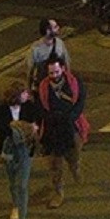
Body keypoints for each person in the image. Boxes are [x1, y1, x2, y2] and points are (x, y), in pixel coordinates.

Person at [36, 57, 85, 209]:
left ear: (63, 69)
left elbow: (80, 103)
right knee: (54, 165)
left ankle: (75, 168)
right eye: (51, 73)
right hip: (51, 130)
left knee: (73, 156)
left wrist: (70, 118)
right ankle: (58, 193)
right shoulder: (43, 87)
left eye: (56, 71)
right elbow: (39, 108)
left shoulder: (75, 83)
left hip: (69, 127)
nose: (54, 75)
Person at [0, 80, 41, 219]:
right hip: (8, 151)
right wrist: (22, 129)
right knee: (12, 181)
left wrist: (22, 128)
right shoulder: (2, 109)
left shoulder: (30, 106)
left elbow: (35, 125)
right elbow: (2, 129)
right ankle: (15, 205)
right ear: (16, 95)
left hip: (25, 150)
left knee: (22, 185)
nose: (27, 94)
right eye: (24, 93)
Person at [26, 18, 70, 87]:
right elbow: (30, 71)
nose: (58, 28)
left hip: (59, 84)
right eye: (55, 27)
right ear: (47, 31)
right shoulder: (36, 48)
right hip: (43, 86)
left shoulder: (60, 43)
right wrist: (28, 88)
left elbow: (66, 63)